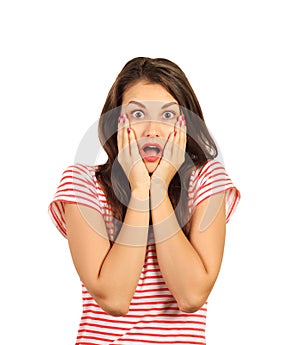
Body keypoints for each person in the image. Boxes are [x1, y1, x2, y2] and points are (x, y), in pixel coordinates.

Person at [48, 57, 240, 345]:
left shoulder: (206, 179)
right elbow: (114, 298)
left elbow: (191, 296)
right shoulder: (81, 183)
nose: (152, 130)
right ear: (116, 122)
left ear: (185, 124)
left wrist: (159, 188)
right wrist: (140, 191)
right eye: (137, 115)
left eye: (167, 115)